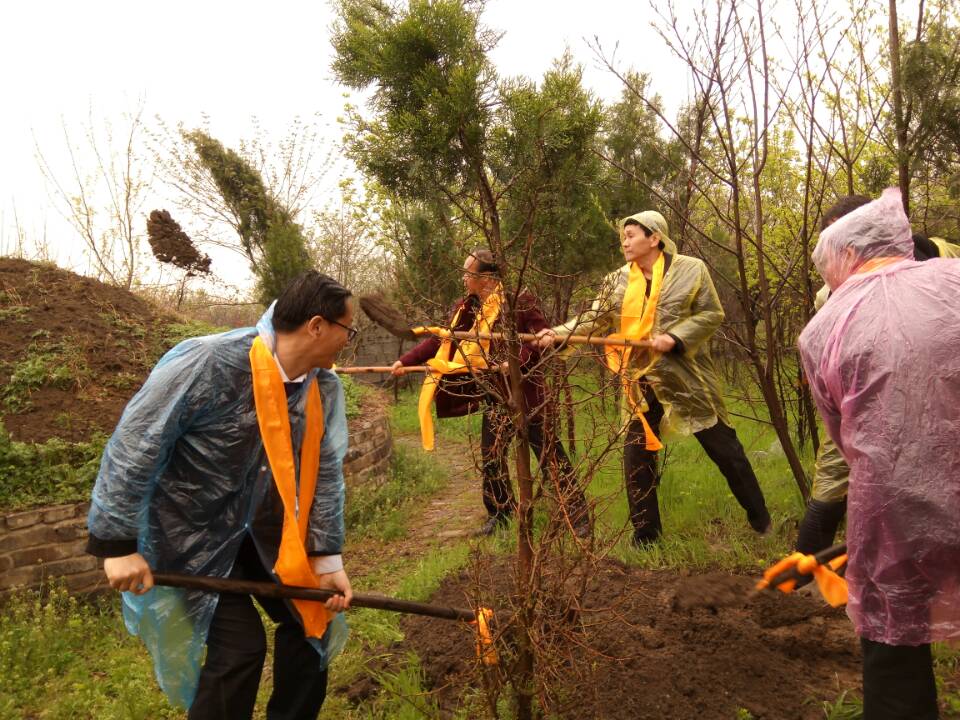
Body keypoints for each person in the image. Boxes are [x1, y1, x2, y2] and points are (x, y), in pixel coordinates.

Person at [86, 271, 356, 719]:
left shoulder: (320, 388)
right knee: (240, 649)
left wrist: (327, 560)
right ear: (317, 326)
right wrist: (116, 545)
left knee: (313, 621)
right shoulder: (210, 363)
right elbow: (137, 445)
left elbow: (325, 475)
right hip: (192, 537)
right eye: (349, 329)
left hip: (268, 536)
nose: (348, 341)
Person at [798, 187, 960, 719]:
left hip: (892, 511)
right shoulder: (955, 279)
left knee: (893, 639)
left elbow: (844, 435)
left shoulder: (824, 328)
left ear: (845, 252)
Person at [535, 211, 771, 545]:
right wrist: (558, 334)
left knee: (725, 449)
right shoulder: (617, 280)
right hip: (640, 382)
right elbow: (594, 318)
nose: (625, 243)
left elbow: (711, 313)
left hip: (687, 379)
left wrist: (676, 337)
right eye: (623, 237)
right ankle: (645, 537)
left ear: (654, 237)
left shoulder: (690, 270)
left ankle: (761, 520)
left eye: (631, 235)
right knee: (637, 458)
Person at [797, 195, 960, 556]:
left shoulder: (943, 258)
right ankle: (803, 571)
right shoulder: (831, 295)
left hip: (940, 400)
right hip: (867, 405)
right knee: (833, 487)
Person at [391, 248, 590, 537]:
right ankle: (501, 514)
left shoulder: (519, 300)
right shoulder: (467, 307)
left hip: (528, 395)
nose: (463, 278)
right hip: (495, 395)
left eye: (467, 273)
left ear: (485, 277)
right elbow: (442, 340)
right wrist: (405, 361)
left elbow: (540, 338)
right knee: (492, 456)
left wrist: (515, 362)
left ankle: (577, 515)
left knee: (549, 454)